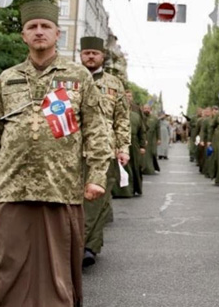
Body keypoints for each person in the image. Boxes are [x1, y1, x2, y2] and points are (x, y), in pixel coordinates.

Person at [0, 1, 111, 306]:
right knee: (8, 260)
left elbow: (96, 129)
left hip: (61, 186)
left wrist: (96, 177)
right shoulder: (7, 79)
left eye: (45, 27)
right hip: (12, 186)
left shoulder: (78, 77)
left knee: (57, 264)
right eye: (32, 27)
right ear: (24, 35)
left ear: (57, 33)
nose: (39, 32)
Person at [79, 36, 131, 267]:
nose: (90, 56)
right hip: (73, 149)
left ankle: (90, 246)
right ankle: (76, 244)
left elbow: (122, 118)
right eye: (86, 53)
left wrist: (123, 148)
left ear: (102, 57)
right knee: (75, 199)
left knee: (98, 200)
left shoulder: (114, 83)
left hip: (106, 150)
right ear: (81, 55)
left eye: (95, 53)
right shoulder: (68, 78)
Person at [113, 90, 146, 198]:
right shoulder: (116, 112)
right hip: (119, 142)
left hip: (134, 142)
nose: (127, 98)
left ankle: (135, 188)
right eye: (125, 96)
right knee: (121, 166)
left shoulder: (136, 114)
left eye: (129, 96)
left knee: (135, 166)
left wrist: (142, 145)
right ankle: (122, 191)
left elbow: (142, 130)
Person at [141, 105, 160, 174]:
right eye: (145, 108)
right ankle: (144, 169)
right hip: (143, 137)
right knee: (143, 154)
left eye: (148, 108)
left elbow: (158, 129)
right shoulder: (141, 117)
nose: (146, 110)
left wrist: (159, 139)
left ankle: (152, 167)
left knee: (153, 153)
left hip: (152, 138)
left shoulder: (155, 118)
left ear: (150, 109)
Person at [197, 107, 212, 172]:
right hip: (204, 139)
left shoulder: (213, 119)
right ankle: (202, 167)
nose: (207, 113)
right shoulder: (201, 120)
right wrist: (200, 139)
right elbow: (200, 131)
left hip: (211, 139)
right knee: (203, 155)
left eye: (208, 111)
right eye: (206, 112)